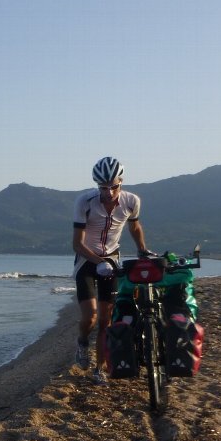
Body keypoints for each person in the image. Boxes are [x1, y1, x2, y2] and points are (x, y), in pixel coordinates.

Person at [72, 157, 151, 383]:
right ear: (97, 185)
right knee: (90, 317)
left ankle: (100, 369)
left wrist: (142, 250)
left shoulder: (131, 201)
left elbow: (134, 226)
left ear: (121, 182)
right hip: (86, 259)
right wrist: (98, 261)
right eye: (103, 188)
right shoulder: (84, 202)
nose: (108, 192)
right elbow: (77, 244)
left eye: (113, 186)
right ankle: (82, 342)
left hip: (112, 258)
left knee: (106, 320)